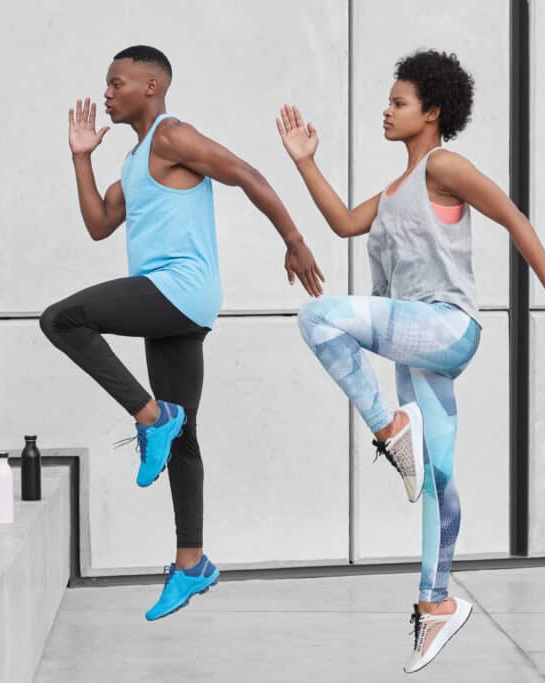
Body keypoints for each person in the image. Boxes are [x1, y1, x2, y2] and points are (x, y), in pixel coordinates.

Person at [276, 49, 545, 673]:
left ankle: (390, 430)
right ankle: (436, 601)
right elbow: (341, 223)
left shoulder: (445, 165)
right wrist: (306, 163)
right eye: (388, 101)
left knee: (318, 317)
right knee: (438, 481)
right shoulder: (392, 192)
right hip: (411, 344)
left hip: (444, 326)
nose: (386, 111)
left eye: (399, 103)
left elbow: (512, 217)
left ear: (432, 111)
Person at [41, 45, 325, 621]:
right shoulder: (134, 159)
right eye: (105, 83)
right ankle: (192, 562)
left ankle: (151, 417)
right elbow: (99, 225)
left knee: (62, 319)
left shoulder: (173, 136)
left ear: (151, 86)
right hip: (172, 302)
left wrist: (293, 240)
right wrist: (80, 158)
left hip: (179, 290)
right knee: (185, 438)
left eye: (116, 83)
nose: (106, 93)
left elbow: (246, 173)